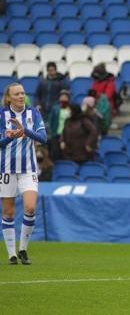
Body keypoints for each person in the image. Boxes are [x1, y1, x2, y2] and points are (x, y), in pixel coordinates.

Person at [0, 83, 48, 265]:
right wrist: (9, 137)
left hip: (28, 169)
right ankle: (11, 254)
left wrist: (25, 131)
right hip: (6, 169)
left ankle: (23, 249)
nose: (21, 96)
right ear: (9, 98)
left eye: (23, 93)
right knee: (8, 212)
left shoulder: (33, 114)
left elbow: (43, 138)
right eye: (17, 94)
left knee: (30, 207)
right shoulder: (2, 115)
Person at [47, 90, 71, 160]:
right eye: (62, 97)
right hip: (56, 133)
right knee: (55, 152)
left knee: (65, 153)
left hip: (67, 135)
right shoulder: (55, 108)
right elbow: (50, 121)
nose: (63, 98)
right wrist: (50, 132)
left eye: (65, 97)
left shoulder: (70, 109)